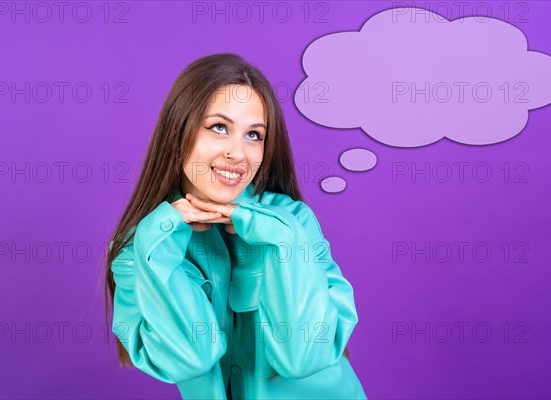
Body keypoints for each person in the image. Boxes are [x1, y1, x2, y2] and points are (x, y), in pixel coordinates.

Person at [103, 53, 367, 399]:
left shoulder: (293, 221)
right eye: (219, 127)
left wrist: (281, 240)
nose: (238, 153)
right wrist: (162, 241)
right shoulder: (140, 246)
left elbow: (304, 357)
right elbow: (190, 359)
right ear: (179, 129)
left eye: (254, 135)